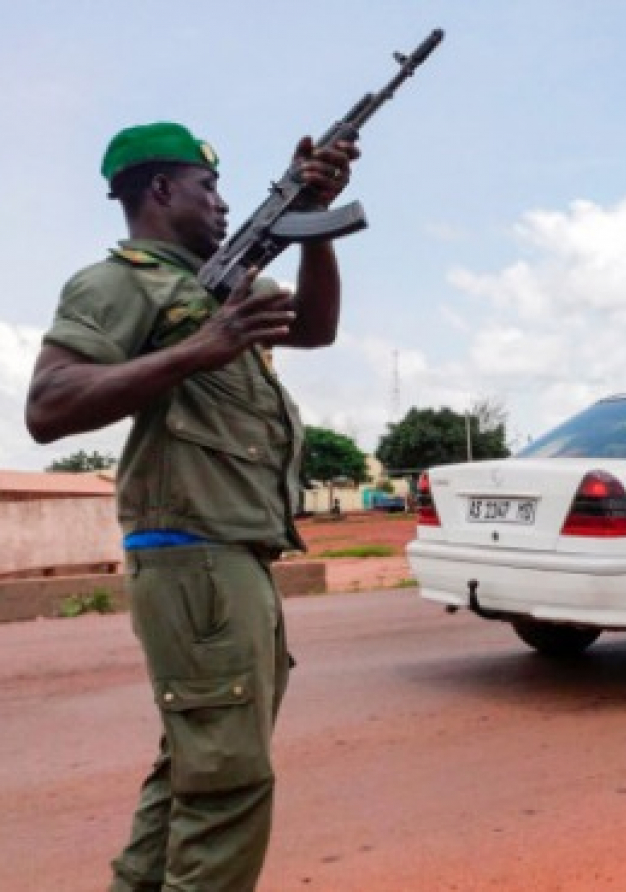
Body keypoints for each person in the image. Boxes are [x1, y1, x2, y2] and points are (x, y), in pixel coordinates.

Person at [25, 122, 359, 891]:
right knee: (228, 787)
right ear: (161, 190)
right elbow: (48, 406)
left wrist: (311, 223)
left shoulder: (215, 282)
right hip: (194, 556)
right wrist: (194, 351)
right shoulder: (118, 283)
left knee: (196, 770)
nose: (223, 201)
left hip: (229, 557)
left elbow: (316, 327)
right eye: (208, 187)